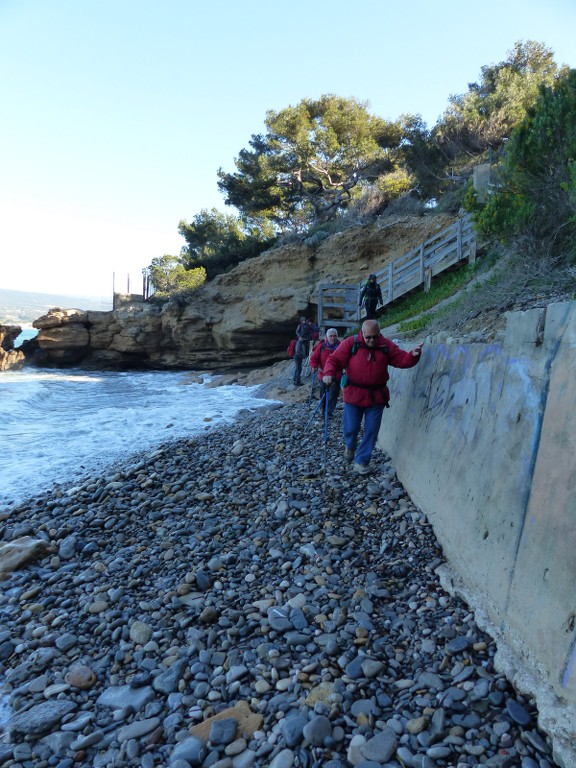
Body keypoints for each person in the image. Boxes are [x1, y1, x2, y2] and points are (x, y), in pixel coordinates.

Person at [322, 319, 423, 475]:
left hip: (376, 396)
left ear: (379, 333)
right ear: (362, 333)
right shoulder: (351, 343)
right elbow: (334, 360)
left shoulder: (385, 345)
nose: (371, 340)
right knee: (351, 428)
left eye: (374, 337)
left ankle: (362, 461)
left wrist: (413, 356)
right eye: (368, 337)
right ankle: (350, 446)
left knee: (371, 431)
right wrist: (328, 373)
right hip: (353, 394)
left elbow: (401, 359)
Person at [310, 328, 341, 415]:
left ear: (337, 337)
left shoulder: (341, 346)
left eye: (334, 336)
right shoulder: (322, 347)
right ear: (327, 337)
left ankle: (329, 412)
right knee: (323, 393)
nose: (333, 338)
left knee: (333, 394)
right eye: (330, 336)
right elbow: (314, 358)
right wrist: (313, 366)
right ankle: (323, 409)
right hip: (322, 374)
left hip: (336, 375)